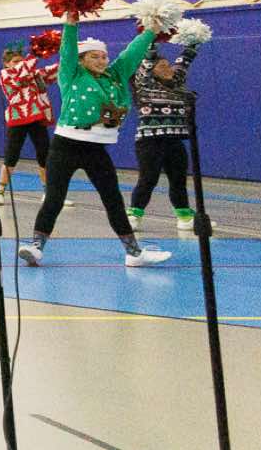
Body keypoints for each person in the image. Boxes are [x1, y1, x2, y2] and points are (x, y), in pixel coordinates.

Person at [17, 14, 172, 268]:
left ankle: (134, 253)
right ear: (81, 60)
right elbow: (67, 51)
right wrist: (71, 23)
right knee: (54, 198)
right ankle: (36, 247)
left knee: (113, 200)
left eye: (103, 56)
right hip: (65, 146)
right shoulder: (71, 75)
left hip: (96, 150)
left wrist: (150, 31)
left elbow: (131, 55)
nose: (101, 60)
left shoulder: (115, 76)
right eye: (94, 56)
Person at [129, 39, 202, 233]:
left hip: (174, 140)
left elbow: (184, 61)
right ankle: (134, 215)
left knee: (178, 179)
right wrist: (153, 37)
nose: (168, 68)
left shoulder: (176, 83)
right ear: (151, 71)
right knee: (148, 179)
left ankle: (184, 217)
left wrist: (194, 41)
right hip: (150, 141)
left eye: (168, 65)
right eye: (162, 66)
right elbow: (147, 60)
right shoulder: (145, 85)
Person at [0, 42, 64, 202]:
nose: (19, 64)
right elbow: (22, 72)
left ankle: (48, 192)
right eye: (15, 61)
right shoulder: (6, 75)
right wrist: (35, 53)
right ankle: (0, 191)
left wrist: (70, 58)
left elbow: (53, 71)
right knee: (11, 155)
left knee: (44, 154)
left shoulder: (33, 73)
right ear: (6, 64)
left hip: (36, 118)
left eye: (21, 61)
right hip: (18, 119)